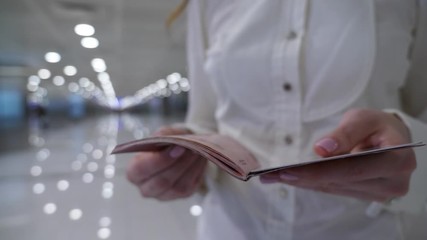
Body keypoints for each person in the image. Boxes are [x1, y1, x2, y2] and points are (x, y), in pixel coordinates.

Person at [127, 0, 427, 239]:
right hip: (232, 227)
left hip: (368, 229)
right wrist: (180, 159)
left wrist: (408, 152)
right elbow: (204, 120)